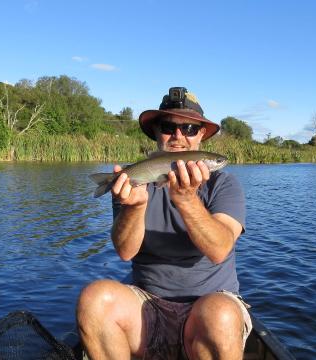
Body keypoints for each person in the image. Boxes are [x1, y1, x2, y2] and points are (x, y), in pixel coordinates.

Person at [77, 87, 252, 360]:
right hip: (147, 305)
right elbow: (125, 252)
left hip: (207, 307)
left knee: (221, 314)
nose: (179, 136)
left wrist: (186, 200)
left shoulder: (224, 184)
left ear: (202, 136)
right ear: (157, 132)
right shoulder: (133, 183)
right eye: (169, 127)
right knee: (94, 299)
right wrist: (134, 207)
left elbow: (219, 249)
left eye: (190, 128)